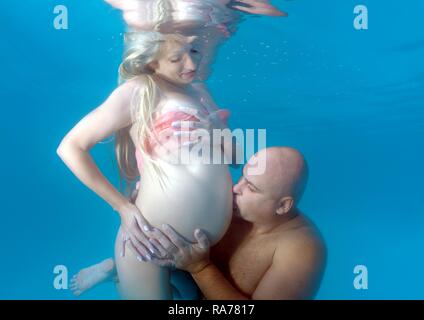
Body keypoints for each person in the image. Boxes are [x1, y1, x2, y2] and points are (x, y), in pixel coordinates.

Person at [58, 31, 235, 299]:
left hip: (201, 249)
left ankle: (114, 270)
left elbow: (234, 156)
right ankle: (117, 268)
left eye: (194, 52)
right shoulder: (139, 90)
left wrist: (214, 127)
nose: (191, 65)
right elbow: (70, 147)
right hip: (147, 243)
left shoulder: (199, 91)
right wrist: (123, 208)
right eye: (177, 58)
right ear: (153, 62)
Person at [70, 147, 327, 300]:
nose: (236, 189)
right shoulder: (234, 201)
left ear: (283, 206)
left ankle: (118, 274)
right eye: (242, 178)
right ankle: (119, 272)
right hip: (185, 286)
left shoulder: (302, 249)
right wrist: (146, 197)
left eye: (251, 187)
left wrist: (201, 267)